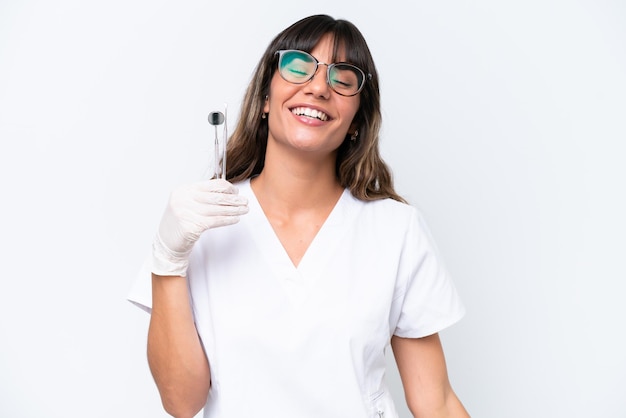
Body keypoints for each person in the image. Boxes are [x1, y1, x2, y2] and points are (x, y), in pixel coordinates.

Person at [128, 14, 469, 418]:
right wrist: (168, 259)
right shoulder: (198, 226)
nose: (319, 86)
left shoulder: (395, 230)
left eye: (343, 79)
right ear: (266, 99)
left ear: (357, 122)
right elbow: (181, 402)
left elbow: (436, 401)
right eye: (298, 66)